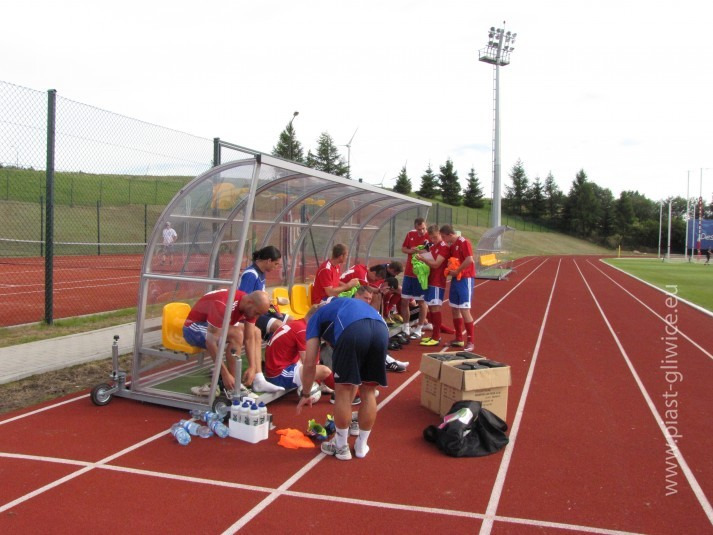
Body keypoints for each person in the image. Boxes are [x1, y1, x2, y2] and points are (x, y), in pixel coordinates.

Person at [298, 297, 388, 460]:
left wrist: (306, 393)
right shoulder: (340, 307)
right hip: (381, 329)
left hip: (352, 331)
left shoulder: (314, 319)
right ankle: (361, 445)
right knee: (368, 391)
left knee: (342, 393)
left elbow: (309, 363)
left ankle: (340, 447)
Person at [182, 289, 273, 394]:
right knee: (236, 335)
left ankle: (258, 379)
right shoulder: (224, 304)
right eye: (256, 313)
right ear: (249, 303)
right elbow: (210, 342)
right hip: (193, 327)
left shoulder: (249, 304)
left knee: (256, 331)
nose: (256, 317)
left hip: (214, 325)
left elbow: (248, 338)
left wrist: (252, 367)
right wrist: (225, 374)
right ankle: (232, 385)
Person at [264, 305, 334, 395]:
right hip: (278, 375)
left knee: (314, 364)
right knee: (324, 371)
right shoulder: (303, 331)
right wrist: (318, 377)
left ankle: (322, 384)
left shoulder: (298, 324)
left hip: (278, 368)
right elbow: (309, 365)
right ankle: (343, 393)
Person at [440, 225, 476, 351]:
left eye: (443, 237)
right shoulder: (452, 246)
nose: (443, 239)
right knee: (455, 308)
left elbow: (469, 259)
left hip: (465, 278)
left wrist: (457, 271)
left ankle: (470, 341)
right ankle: (459, 338)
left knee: (465, 309)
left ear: (450, 235)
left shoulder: (464, 242)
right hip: (456, 279)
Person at [415, 225, 450, 347]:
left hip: (438, 282)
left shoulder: (444, 247)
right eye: (431, 238)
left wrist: (423, 259)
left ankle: (436, 337)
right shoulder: (434, 247)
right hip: (431, 280)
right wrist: (423, 254)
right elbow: (432, 259)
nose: (433, 240)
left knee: (435, 308)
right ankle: (434, 336)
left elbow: (436, 264)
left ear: (440, 234)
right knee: (432, 308)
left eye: (435, 237)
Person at [400, 217, 430, 339]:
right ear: (415, 227)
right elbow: (403, 249)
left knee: (421, 302)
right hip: (409, 273)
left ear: (425, 226)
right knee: (404, 300)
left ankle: (419, 328)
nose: (421, 231)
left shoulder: (430, 236)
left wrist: (422, 253)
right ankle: (406, 327)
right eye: (419, 229)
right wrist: (412, 250)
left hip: (421, 275)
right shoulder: (410, 234)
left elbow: (434, 252)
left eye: (423, 228)